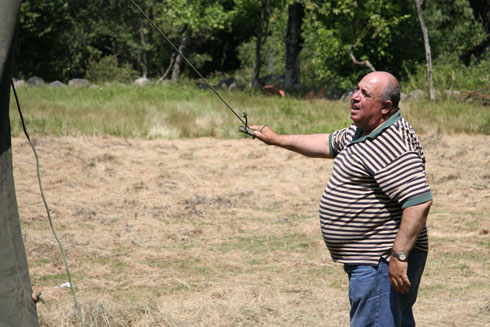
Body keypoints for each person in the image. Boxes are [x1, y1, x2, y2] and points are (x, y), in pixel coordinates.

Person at [250, 71, 432, 327]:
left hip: (381, 262)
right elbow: (327, 143)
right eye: (356, 89)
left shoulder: (392, 143)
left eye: (365, 94)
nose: (354, 97)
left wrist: (399, 256)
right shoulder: (362, 131)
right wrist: (277, 139)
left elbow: (418, 201)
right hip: (372, 262)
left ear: (385, 107)